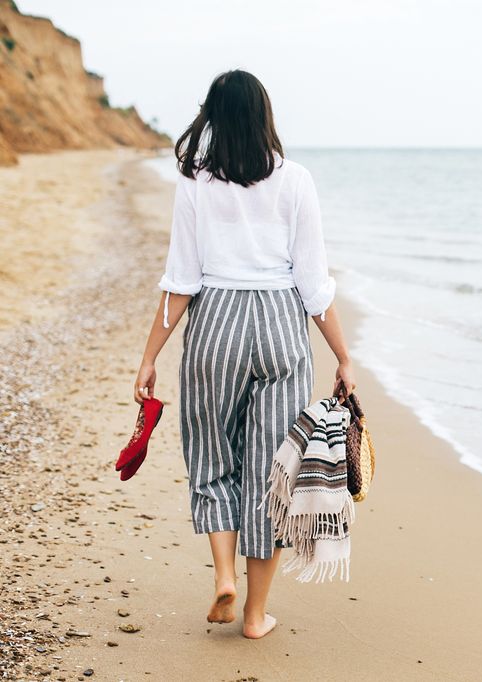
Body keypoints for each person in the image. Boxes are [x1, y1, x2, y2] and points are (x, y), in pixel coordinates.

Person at [132, 70, 355, 639]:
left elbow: (180, 280)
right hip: (281, 324)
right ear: (264, 116)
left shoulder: (195, 183)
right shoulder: (297, 179)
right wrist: (343, 358)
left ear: (214, 118)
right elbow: (314, 283)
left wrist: (149, 356)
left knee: (211, 455)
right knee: (270, 471)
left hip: (216, 325)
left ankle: (224, 576)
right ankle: (256, 616)